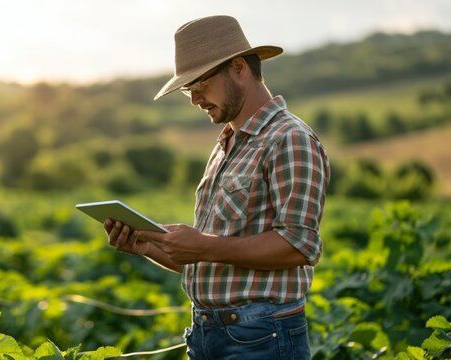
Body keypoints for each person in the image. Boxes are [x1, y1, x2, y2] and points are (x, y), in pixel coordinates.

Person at [104, 15, 330, 359]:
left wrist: (204, 247)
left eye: (201, 85)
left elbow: (299, 246)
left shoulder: (289, 139)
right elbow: (213, 260)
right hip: (208, 334)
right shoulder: (226, 144)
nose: (195, 99)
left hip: (262, 336)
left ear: (238, 68)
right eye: (188, 89)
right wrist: (145, 245)